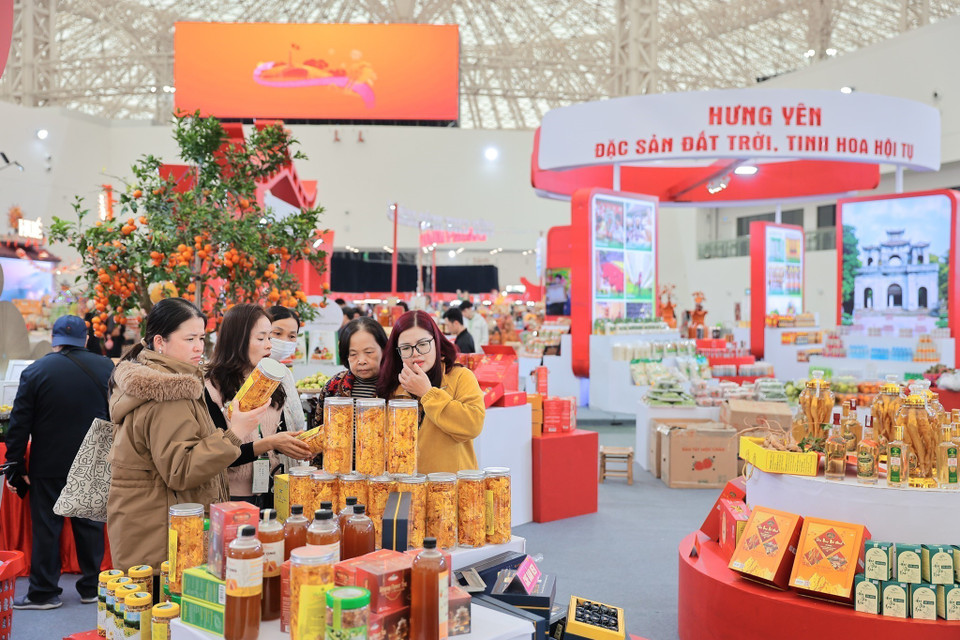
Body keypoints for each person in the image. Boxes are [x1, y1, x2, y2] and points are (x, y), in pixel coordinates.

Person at [106, 298, 270, 575]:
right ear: (160, 342)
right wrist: (235, 433)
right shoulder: (168, 392)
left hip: (150, 528)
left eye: (202, 338)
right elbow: (180, 470)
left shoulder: (153, 377)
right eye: (189, 338)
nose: (198, 347)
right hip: (164, 539)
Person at [5, 316, 114, 610]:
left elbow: (19, 422)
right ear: (86, 337)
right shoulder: (107, 368)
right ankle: (92, 588)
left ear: (54, 339)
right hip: (92, 461)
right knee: (90, 525)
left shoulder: (36, 370)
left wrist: (14, 464)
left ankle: (43, 593)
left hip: (48, 462)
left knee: (47, 527)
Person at [206, 304, 313, 506]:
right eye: (261, 338)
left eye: (270, 338)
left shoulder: (274, 382)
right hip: (232, 497)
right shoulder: (212, 387)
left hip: (274, 491)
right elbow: (216, 455)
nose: (269, 345)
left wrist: (299, 445)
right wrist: (270, 443)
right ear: (237, 340)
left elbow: (278, 438)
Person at [377, 311, 485, 474]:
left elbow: (473, 426)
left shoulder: (460, 377)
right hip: (405, 490)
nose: (415, 353)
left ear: (437, 342)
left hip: (451, 489)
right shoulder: (391, 386)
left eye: (423, 344)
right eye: (406, 348)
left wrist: (428, 393)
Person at [316, 317, 389, 418]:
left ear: (384, 350)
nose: (362, 361)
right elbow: (319, 428)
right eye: (353, 354)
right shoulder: (334, 385)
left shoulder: (397, 387)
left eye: (369, 352)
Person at [267, 306, 308, 435]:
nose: (284, 340)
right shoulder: (251, 374)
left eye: (292, 336)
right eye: (277, 333)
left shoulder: (285, 373)